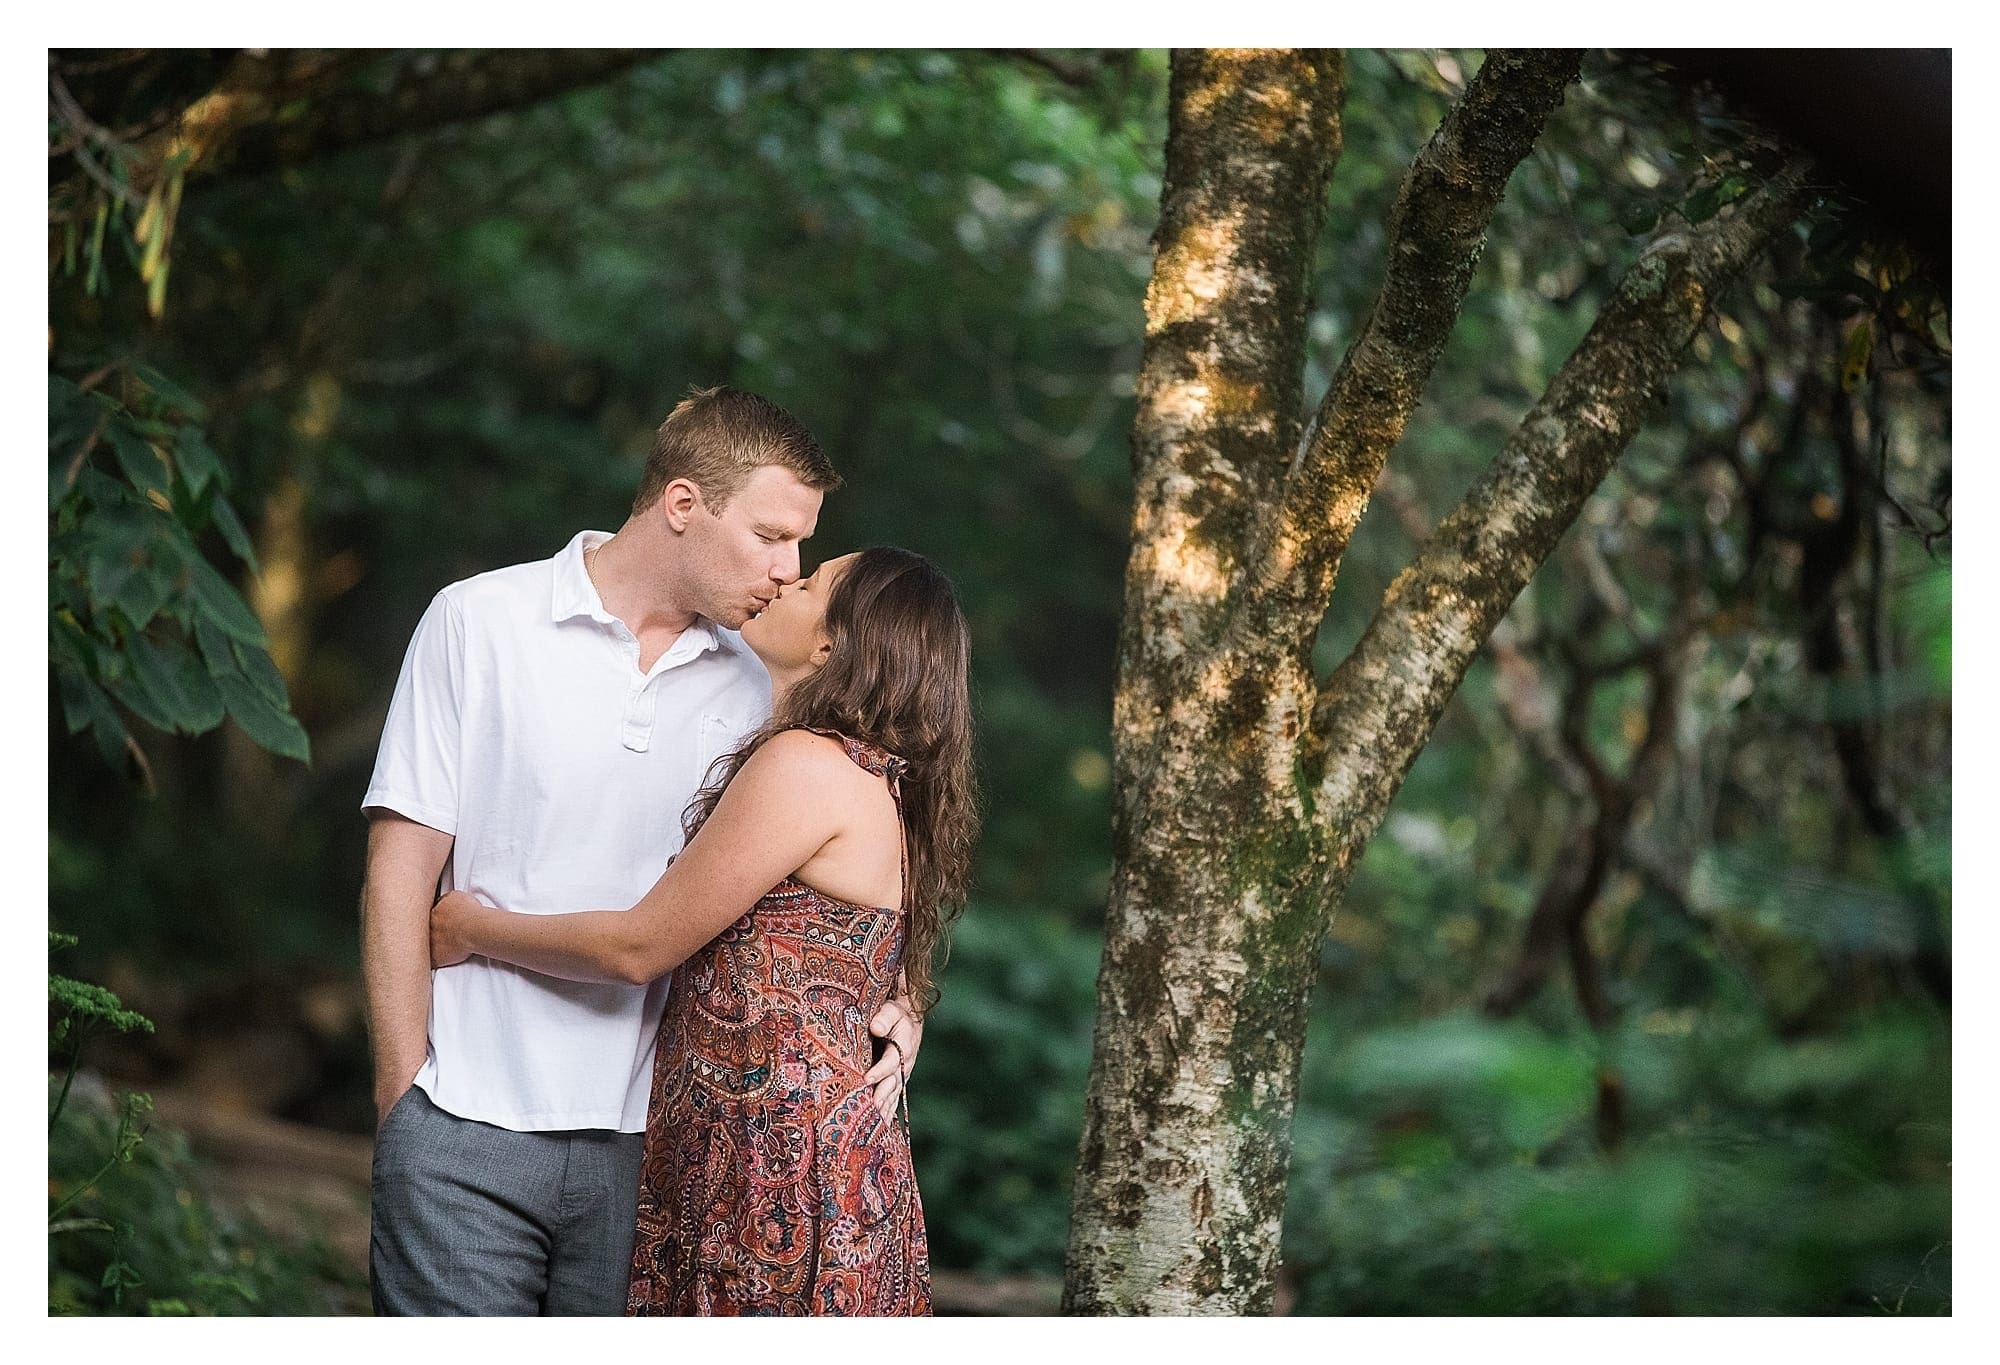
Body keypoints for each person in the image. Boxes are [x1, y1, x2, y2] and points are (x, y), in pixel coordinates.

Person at [359, 386, 925, 1316]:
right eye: (773, 535)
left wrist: (902, 997)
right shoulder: (478, 621)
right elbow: (398, 872)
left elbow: (851, 870)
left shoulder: (766, 692)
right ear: (684, 505)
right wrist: (401, 1103)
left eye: (803, 547)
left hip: (654, 1150)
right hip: (461, 1124)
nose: (791, 569)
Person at [430, 545, 975, 1316]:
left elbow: (638, 946)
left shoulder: (808, 765)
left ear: (830, 646)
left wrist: (471, 926)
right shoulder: (865, 771)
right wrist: (906, 1000)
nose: (788, 577)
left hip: (773, 1172)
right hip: (786, 1166)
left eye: (812, 581)